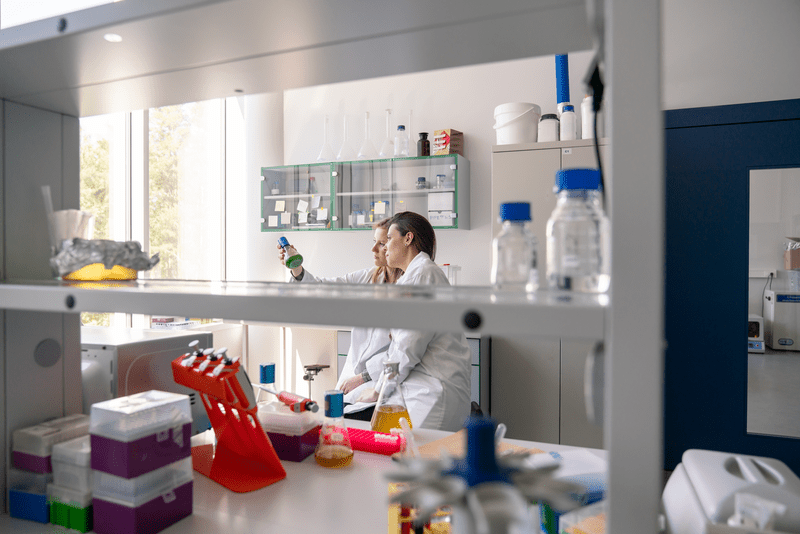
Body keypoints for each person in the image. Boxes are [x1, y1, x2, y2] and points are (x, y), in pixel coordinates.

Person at [277, 218, 402, 419]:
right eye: (374, 242)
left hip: (381, 383)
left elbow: (402, 349)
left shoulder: (409, 285)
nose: (373, 249)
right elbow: (325, 289)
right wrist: (297, 270)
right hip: (353, 384)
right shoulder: (369, 276)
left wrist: (363, 377)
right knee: (336, 422)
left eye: (381, 244)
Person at [378, 211, 472, 431]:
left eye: (389, 238)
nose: (384, 247)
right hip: (424, 387)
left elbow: (408, 346)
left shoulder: (422, 275)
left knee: (412, 450)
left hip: (432, 391)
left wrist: (380, 389)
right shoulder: (414, 276)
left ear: (408, 238)